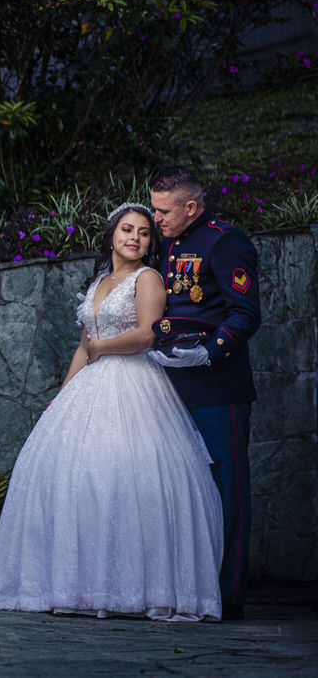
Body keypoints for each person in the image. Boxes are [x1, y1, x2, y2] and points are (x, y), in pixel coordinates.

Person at [0, 203, 223, 620]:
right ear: (112, 234)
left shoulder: (148, 278)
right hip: (90, 384)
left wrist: (100, 347)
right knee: (78, 480)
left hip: (135, 384)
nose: (135, 238)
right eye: (127, 229)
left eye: (145, 233)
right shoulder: (98, 283)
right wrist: (63, 394)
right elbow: (83, 345)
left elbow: (147, 334)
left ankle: (135, 588)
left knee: (127, 478)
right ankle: (81, 586)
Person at [148, 167, 261, 621]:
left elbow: (245, 313)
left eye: (163, 210)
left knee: (225, 488)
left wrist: (210, 353)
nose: (156, 218)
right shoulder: (167, 243)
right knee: (179, 489)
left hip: (216, 385)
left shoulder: (224, 240)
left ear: (191, 207)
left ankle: (227, 594)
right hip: (169, 383)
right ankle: (188, 588)